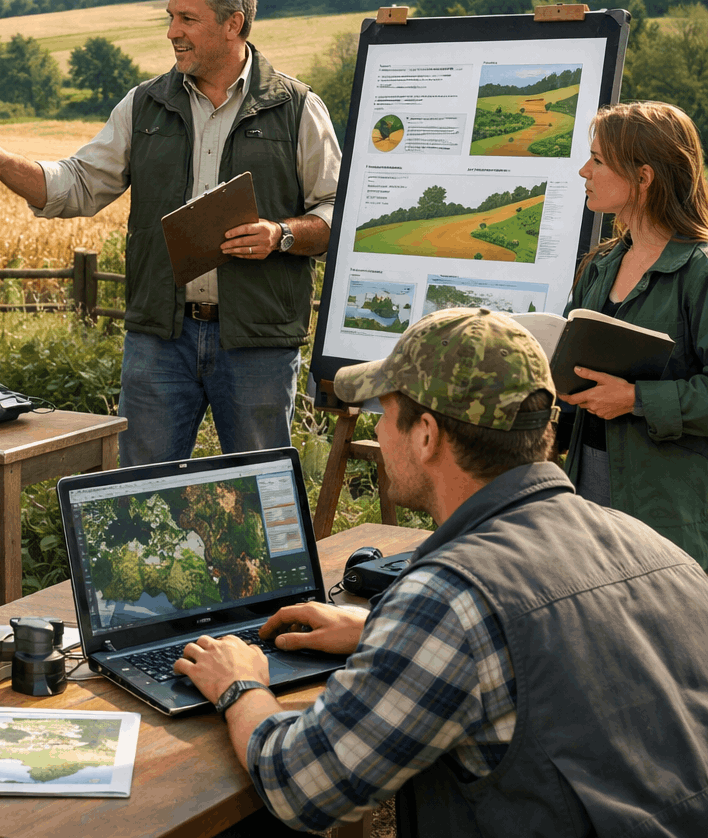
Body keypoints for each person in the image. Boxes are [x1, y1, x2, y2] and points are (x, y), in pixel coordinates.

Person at [173, 307, 708, 835]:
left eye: (384, 412)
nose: (380, 433)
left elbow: (302, 785)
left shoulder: (452, 600)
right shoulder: (655, 549)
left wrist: (239, 685)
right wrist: (378, 633)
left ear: (426, 435)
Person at [0, 0, 340, 465]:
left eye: (187, 19)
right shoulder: (143, 105)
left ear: (233, 23)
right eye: (170, 17)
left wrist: (280, 234)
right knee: (139, 496)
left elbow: (338, 214)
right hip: (159, 341)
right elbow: (78, 184)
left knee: (262, 496)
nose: (172, 32)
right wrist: (7, 165)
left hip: (259, 341)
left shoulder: (298, 108)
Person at [559, 100, 708, 566]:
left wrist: (635, 399)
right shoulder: (600, 264)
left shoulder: (700, 271)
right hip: (585, 487)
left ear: (644, 178)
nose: (584, 170)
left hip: (668, 512)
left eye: (599, 160)